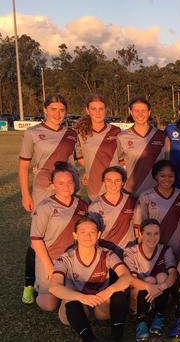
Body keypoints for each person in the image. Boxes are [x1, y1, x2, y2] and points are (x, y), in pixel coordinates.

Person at [19, 94, 78, 304]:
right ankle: (29, 283)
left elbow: (75, 160)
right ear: (45, 110)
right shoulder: (32, 132)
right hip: (42, 191)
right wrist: (26, 194)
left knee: (65, 232)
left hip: (67, 188)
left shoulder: (71, 133)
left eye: (62, 109)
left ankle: (66, 276)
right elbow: (24, 165)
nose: (58, 113)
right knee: (37, 237)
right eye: (53, 109)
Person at [49, 217, 132, 342]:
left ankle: (117, 336)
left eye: (92, 232)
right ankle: (89, 339)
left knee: (118, 294)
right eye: (82, 232)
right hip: (80, 306)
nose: (88, 236)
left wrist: (109, 291)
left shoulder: (107, 254)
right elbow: (54, 287)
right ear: (75, 235)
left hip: (101, 304)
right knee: (70, 301)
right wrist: (81, 297)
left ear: (98, 235)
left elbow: (126, 276)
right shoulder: (66, 258)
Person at [30, 163, 89, 312]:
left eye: (70, 182)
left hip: (73, 260)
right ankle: (38, 289)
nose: (66, 186)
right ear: (53, 186)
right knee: (50, 305)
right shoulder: (45, 206)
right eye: (60, 183)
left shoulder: (82, 205)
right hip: (51, 259)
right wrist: (49, 266)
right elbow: (36, 240)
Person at [124, 218, 178, 341]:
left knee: (162, 277)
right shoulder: (130, 251)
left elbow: (173, 274)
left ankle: (159, 316)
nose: (152, 237)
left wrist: (161, 287)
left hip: (158, 294)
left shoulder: (165, 249)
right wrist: (150, 287)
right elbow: (130, 279)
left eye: (156, 233)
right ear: (140, 234)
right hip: (136, 297)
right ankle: (141, 322)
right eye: (148, 233)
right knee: (149, 280)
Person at [134, 160, 180, 257]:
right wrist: (143, 252)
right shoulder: (146, 196)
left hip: (177, 250)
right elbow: (139, 227)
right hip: (152, 250)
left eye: (170, 176)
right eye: (162, 176)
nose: (167, 179)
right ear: (156, 176)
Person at [75, 94, 122, 201]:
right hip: (94, 184)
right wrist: (90, 170)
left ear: (106, 110)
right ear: (87, 110)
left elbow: (123, 159)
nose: (97, 113)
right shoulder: (81, 133)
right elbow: (81, 158)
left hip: (114, 183)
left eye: (101, 109)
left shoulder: (116, 131)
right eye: (93, 109)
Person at [117, 96, 166, 196]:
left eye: (143, 111)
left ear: (149, 112)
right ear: (130, 112)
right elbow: (119, 162)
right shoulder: (122, 137)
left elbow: (168, 165)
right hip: (131, 192)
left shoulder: (162, 136)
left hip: (157, 192)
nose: (140, 114)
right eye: (136, 111)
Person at [88, 166, 137, 256]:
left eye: (117, 181)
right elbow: (93, 235)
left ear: (123, 182)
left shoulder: (132, 201)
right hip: (107, 253)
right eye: (109, 181)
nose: (113, 184)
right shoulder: (95, 206)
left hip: (130, 252)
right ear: (103, 181)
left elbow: (139, 229)